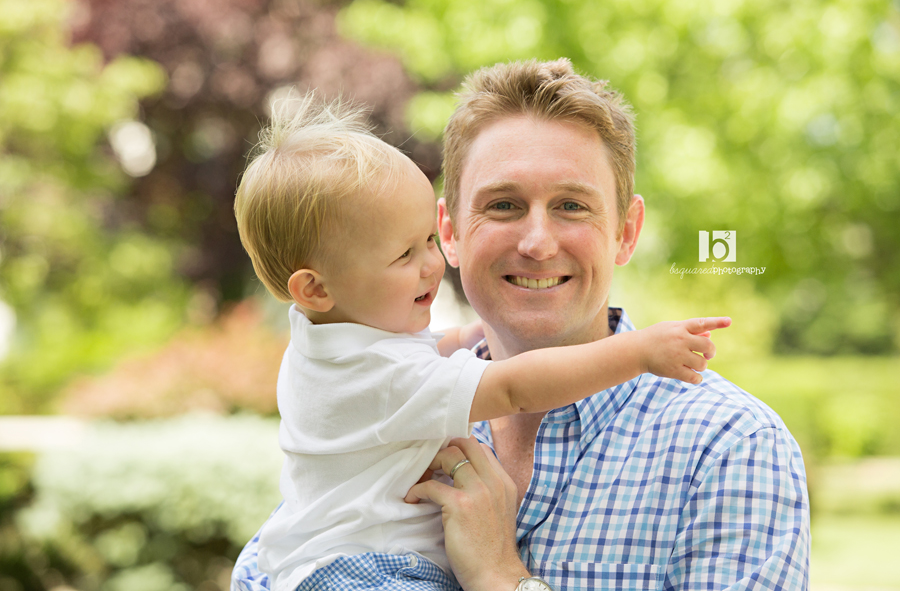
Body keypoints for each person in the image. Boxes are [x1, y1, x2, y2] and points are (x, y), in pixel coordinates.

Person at [233, 59, 810, 591]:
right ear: (451, 232)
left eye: (572, 206)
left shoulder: (729, 448)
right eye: (503, 205)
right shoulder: (382, 426)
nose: (537, 243)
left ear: (626, 232)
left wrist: (501, 577)